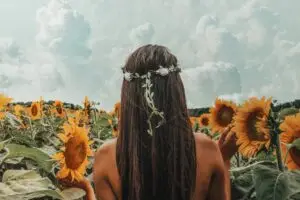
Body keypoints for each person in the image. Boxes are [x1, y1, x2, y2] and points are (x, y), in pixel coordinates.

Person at [65, 44, 238, 200]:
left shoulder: (106, 156)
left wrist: (86, 191)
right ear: (176, 92)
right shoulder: (206, 149)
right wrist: (224, 161)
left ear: (127, 95)